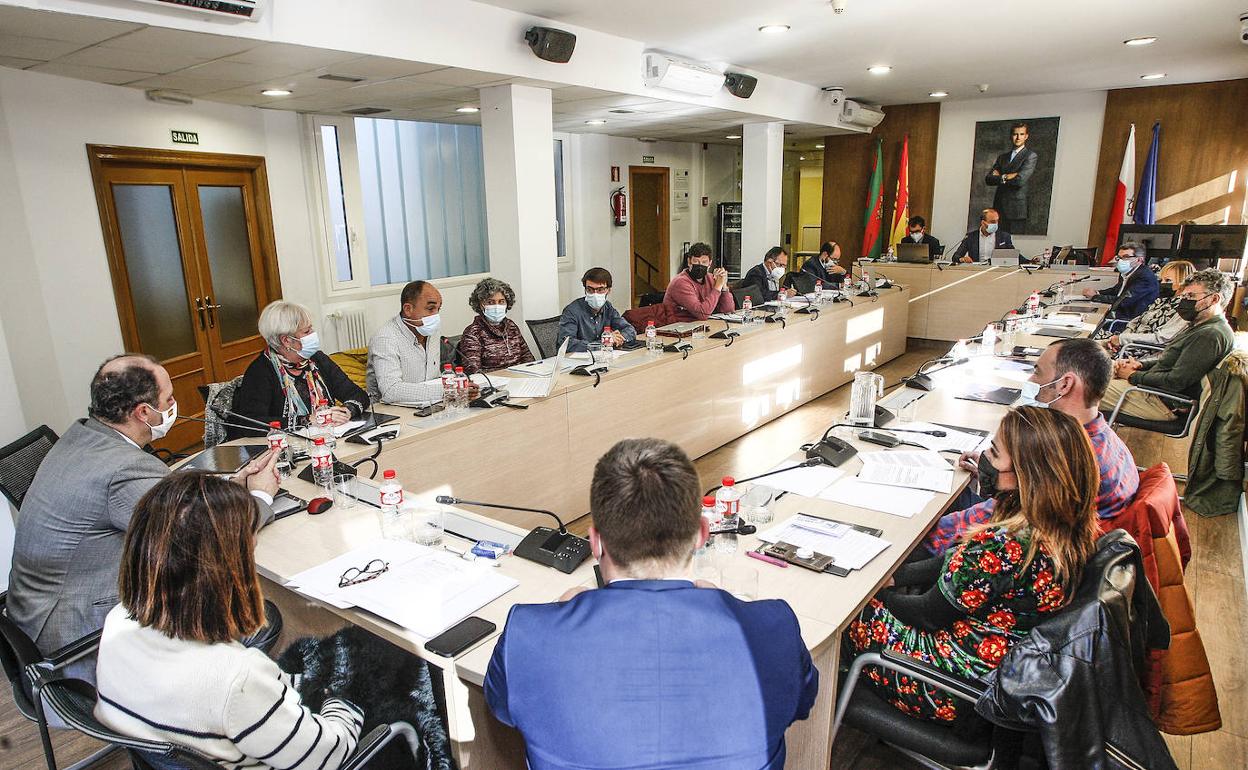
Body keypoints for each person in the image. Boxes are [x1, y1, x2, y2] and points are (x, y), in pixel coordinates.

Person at [485, 438, 818, 770]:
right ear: (702, 534)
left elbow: (502, 707)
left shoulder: (528, 634)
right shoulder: (774, 627)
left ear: (596, 541)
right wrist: (732, 610)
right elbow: (803, 702)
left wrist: (558, 614)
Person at [7, 355, 278, 678]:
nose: (175, 404)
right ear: (144, 412)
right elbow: (204, 534)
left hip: (37, 616)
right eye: (169, 398)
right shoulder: (123, 467)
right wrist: (260, 496)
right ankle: (226, 707)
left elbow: (167, 506)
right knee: (259, 618)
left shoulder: (82, 437)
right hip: (78, 639)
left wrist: (232, 487)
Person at [847, 406, 1100, 724]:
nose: (985, 458)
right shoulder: (1061, 525)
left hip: (948, 687)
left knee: (834, 610)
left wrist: (864, 593)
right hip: (995, 675)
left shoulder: (1006, 542)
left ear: (1026, 474)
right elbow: (960, 562)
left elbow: (926, 613)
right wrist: (895, 578)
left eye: (994, 454)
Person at [94, 473, 363, 768]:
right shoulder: (237, 678)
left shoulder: (117, 621)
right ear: (227, 565)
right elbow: (328, 756)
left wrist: (295, 688)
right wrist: (343, 699)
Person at [924, 338, 1138, 556]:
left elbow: (1001, 520)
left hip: (1002, 551)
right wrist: (1004, 468)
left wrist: (916, 538)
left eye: (1037, 372)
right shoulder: (1104, 439)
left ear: (1065, 384)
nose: (1031, 379)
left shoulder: (1065, 460)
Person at [1101, 268, 1235, 421]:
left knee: (1077, 389)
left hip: (1159, 400)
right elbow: (1175, 361)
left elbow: (1175, 381)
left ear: (1214, 299)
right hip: (1149, 388)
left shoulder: (1210, 335)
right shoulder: (1200, 326)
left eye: (1191, 296)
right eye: (1185, 295)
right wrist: (1140, 365)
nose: (1185, 301)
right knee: (1089, 368)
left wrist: (1133, 376)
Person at [231, 301, 369, 439]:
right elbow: (251, 425)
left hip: (328, 439)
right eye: (307, 331)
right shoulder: (260, 371)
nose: (313, 334)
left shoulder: (317, 359)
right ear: (286, 340)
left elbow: (358, 394)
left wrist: (346, 411)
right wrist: (307, 420)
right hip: (285, 449)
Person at [368, 280, 476, 404]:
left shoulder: (431, 331)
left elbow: (433, 379)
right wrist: (449, 390)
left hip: (430, 404)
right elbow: (390, 391)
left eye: (438, 309)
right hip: (392, 413)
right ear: (408, 309)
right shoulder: (385, 338)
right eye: (430, 308)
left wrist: (460, 386)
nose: (436, 316)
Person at [1100, 260, 1195, 351]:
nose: (1162, 283)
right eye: (1161, 280)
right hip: (1126, 340)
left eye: (1168, 280)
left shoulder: (1183, 308)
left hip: (1138, 348)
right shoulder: (1162, 300)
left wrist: (1122, 340)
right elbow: (1136, 321)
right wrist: (1121, 338)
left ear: (1183, 282)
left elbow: (1161, 338)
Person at [457, 277, 534, 374]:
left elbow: (528, 358)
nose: (497, 306)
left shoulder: (511, 326)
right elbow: (474, 372)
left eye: (501, 301)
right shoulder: (473, 333)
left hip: (522, 378)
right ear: (481, 305)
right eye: (490, 302)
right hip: (494, 384)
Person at [557, 267, 636, 353]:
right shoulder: (572, 311)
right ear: (585, 290)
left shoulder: (608, 307)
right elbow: (567, 344)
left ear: (608, 290)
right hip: (578, 362)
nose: (595, 294)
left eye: (600, 289)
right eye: (590, 289)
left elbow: (630, 330)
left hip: (604, 357)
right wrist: (604, 342)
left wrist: (619, 338)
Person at [1081, 242, 1161, 323]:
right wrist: (1098, 292)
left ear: (1139, 260)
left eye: (1126, 257)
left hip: (1130, 321)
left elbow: (1123, 301)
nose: (1121, 261)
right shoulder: (1127, 272)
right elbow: (1116, 291)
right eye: (1119, 257)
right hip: (1118, 315)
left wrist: (1095, 296)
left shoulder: (1145, 277)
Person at [985, 122, 1038, 234]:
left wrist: (999, 177)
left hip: (1016, 210)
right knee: (997, 245)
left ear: (1026, 136)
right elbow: (988, 179)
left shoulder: (1030, 156)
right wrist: (1006, 176)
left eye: (1021, 134)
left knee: (1012, 246)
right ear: (1011, 136)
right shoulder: (1002, 157)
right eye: (1015, 134)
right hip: (999, 209)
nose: (1018, 137)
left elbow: (1020, 180)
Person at [662, 242, 736, 321]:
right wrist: (717, 287)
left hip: (702, 325)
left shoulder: (711, 278)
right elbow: (702, 314)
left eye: (704, 262)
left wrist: (723, 286)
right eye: (696, 261)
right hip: (677, 327)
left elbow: (729, 311)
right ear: (689, 262)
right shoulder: (680, 282)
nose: (700, 266)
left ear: (710, 263)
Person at [950, 208, 1014, 263]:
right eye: (992, 222)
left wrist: (1024, 264)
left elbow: (1014, 255)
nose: (996, 224)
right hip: (976, 271)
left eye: (997, 221)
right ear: (983, 222)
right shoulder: (970, 237)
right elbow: (956, 257)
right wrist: (962, 259)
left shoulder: (1004, 237)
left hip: (997, 271)